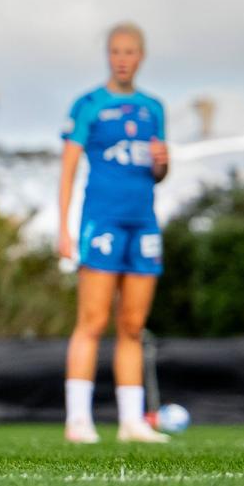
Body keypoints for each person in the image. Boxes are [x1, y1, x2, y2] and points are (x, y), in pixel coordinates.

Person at [56, 22, 172, 444]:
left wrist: (163, 162)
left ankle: (131, 422)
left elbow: (158, 173)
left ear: (141, 57)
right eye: (116, 51)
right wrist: (64, 227)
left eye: (130, 52)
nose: (122, 59)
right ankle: (79, 421)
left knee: (133, 325)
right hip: (100, 222)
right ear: (108, 55)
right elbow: (68, 169)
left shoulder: (154, 108)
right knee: (92, 320)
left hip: (142, 223)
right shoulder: (88, 104)